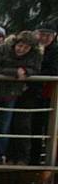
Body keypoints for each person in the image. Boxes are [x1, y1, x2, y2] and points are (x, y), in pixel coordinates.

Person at [0, 31, 42, 164]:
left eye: (25, 47)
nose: (21, 49)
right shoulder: (3, 48)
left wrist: (26, 72)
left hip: (12, 94)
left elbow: (36, 68)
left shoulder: (35, 55)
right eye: (20, 45)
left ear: (30, 49)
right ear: (15, 43)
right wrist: (14, 72)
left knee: (4, 128)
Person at [27, 21, 58, 164]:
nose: (44, 38)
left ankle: (50, 159)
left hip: (50, 95)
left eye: (48, 35)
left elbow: (53, 70)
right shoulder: (32, 49)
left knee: (50, 128)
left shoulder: (55, 51)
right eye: (42, 34)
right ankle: (33, 159)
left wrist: (34, 73)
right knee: (33, 128)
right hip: (32, 93)